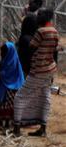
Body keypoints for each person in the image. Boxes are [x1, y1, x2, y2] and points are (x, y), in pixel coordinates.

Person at [13, 8, 58, 137]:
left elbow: (32, 46)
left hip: (38, 69)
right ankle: (43, 128)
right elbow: (54, 48)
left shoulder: (40, 32)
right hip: (50, 68)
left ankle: (16, 128)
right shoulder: (54, 31)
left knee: (19, 97)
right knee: (45, 96)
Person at [0, 41, 25, 130]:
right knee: (3, 104)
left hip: (12, 86)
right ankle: (4, 121)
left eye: (3, 52)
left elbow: (8, 73)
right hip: (5, 85)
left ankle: (8, 122)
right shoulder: (7, 59)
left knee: (8, 105)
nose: (2, 54)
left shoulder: (12, 61)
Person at [17, 0, 44, 75]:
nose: (29, 5)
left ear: (38, 4)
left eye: (31, 3)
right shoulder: (30, 14)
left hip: (31, 44)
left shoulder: (39, 16)